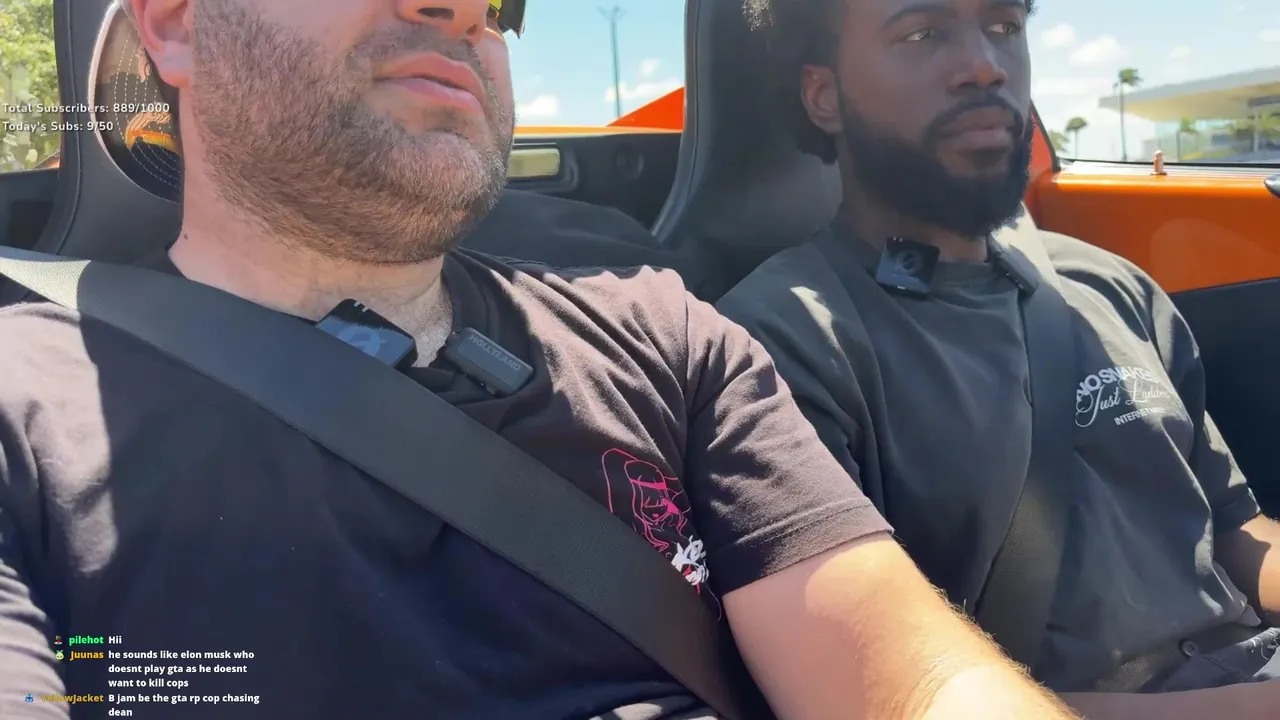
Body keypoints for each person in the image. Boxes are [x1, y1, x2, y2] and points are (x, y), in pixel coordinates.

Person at [0, 1, 1079, 718]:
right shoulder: (24, 414)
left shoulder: (669, 340)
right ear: (178, 25)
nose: (465, 9)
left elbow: (917, 687)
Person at [718, 0, 1280, 717]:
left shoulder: (1108, 283)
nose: (985, 66)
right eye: (922, 33)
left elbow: (1236, 530)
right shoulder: (777, 347)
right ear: (824, 95)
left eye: (1005, 27)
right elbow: (897, 693)